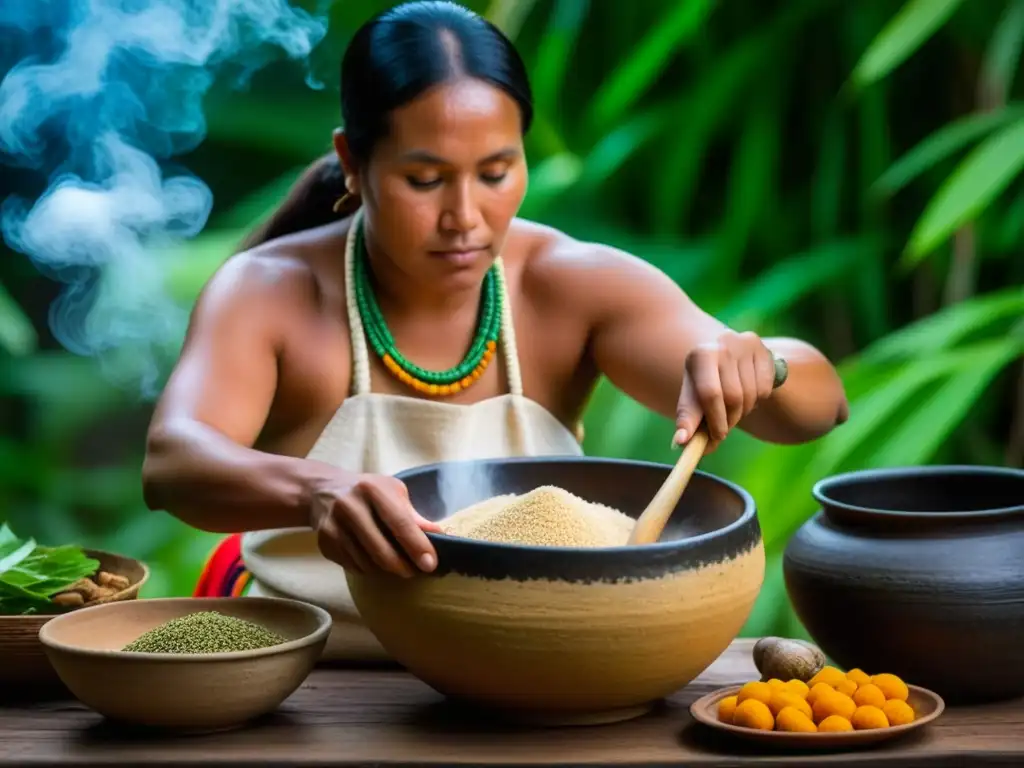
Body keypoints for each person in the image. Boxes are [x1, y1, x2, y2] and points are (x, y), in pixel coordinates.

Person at [142, 0, 849, 660]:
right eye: (426, 180)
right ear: (355, 162)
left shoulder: (568, 284)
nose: (466, 217)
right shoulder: (274, 290)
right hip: (315, 671)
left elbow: (819, 407)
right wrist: (315, 491)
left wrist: (766, 366)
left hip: (529, 666)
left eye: (496, 172)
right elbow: (175, 463)